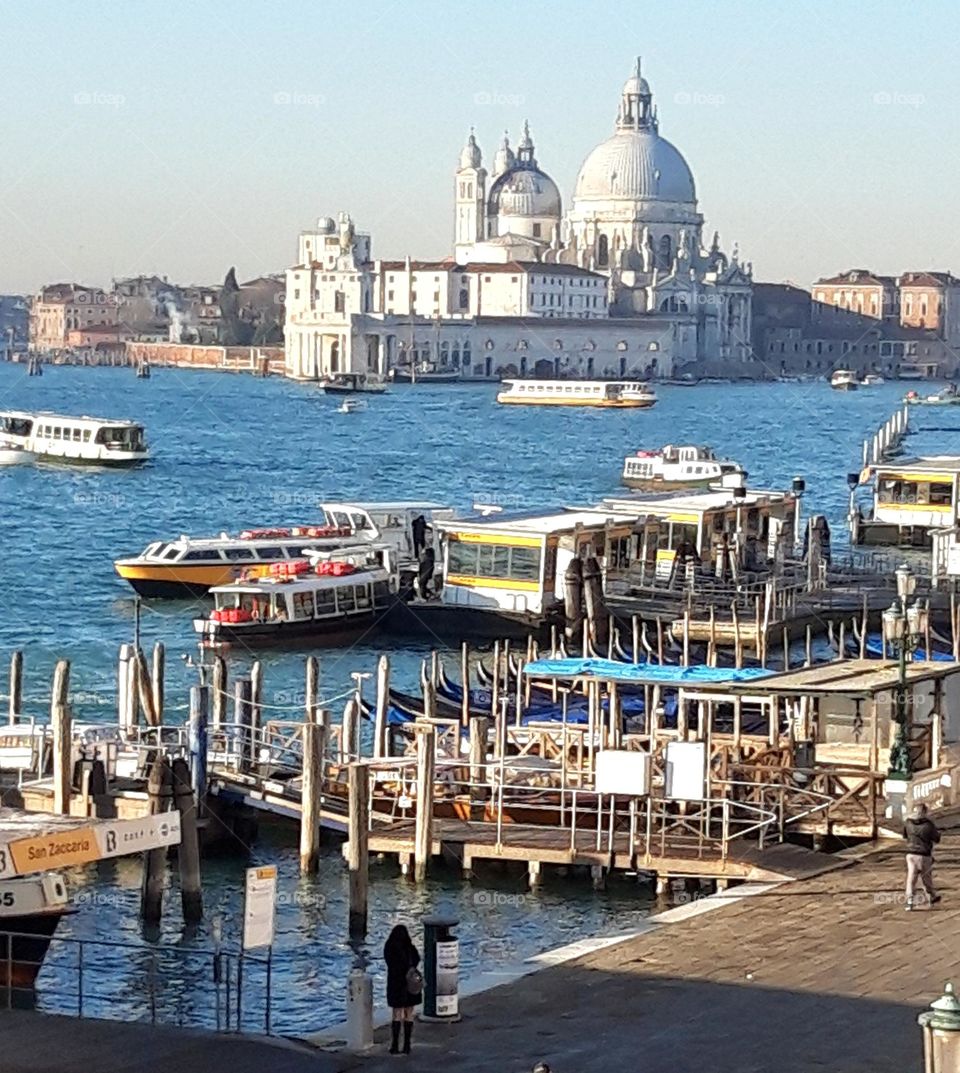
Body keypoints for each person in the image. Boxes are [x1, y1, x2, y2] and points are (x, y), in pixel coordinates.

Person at [384, 923, 421, 1054]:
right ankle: (407, 1044)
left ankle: (394, 1045)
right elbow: (417, 959)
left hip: (396, 984)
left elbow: (388, 961)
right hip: (411, 983)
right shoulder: (410, 948)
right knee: (409, 1013)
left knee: (396, 1013)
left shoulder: (390, 947)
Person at [903, 802, 942, 910]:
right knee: (926, 878)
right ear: (924, 812)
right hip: (924, 854)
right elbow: (936, 838)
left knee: (911, 878)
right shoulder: (928, 824)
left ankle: (909, 901)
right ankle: (931, 896)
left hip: (910, 854)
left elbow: (905, 835)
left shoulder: (908, 822)